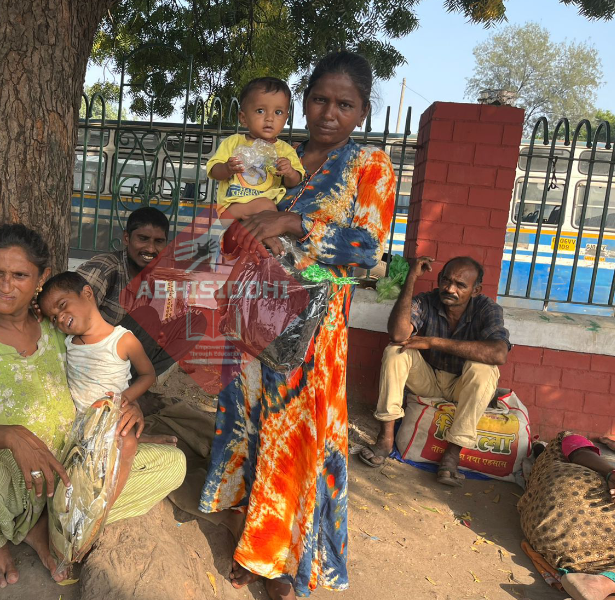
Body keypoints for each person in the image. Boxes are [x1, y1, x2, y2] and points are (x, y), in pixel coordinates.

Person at [198, 51, 397, 599]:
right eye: (320, 100)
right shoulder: (276, 154)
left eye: (344, 104)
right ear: (303, 102)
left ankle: (279, 559)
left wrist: (294, 222)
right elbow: (233, 210)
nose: (329, 113)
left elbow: (367, 249)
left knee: (292, 434)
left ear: (362, 111)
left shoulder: (369, 165)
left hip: (310, 328)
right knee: (246, 419)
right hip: (251, 312)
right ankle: (247, 531)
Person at [0, 223, 185, 589]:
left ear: (41, 278)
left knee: (171, 465)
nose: (6, 285)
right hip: (4, 474)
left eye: (20, 275)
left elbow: (101, 375)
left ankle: (55, 520)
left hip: (71, 468)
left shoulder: (57, 329)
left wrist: (128, 408)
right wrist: (11, 436)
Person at [358, 256, 511, 487]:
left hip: (462, 385)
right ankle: (385, 439)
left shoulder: (487, 309)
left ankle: (452, 454)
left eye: (460, 285)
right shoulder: (427, 301)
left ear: (476, 290)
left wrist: (433, 342)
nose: (450, 289)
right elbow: (398, 334)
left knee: (485, 369)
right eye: (446, 281)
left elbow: (499, 354)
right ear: (439, 279)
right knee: (395, 351)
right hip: (429, 380)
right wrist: (411, 278)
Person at [37, 270, 182, 504]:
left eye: (62, 305)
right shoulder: (68, 343)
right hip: (83, 421)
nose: (60, 318)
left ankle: (106, 503)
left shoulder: (122, 340)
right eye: (53, 318)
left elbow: (148, 375)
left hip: (113, 413)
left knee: (127, 442)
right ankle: (143, 439)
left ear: (87, 293)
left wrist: (124, 399)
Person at [76, 206, 206, 380]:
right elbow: (71, 319)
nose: (151, 249)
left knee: (194, 322)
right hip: (91, 362)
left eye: (158, 241)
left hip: (123, 357)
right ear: (127, 238)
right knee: (147, 317)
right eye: (143, 239)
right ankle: (116, 385)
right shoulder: (104, 268)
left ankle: (137, 385)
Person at [518, 432, 615, 600]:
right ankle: (606, 582)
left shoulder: (564, 446)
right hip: (575, 534)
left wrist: (611, 473)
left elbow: (574, 444)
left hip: (548, 528)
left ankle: (602, 583)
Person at [207, 77, 305, 222]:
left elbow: (295, 181)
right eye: (260, 111)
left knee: (269, 212)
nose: (270, 118)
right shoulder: (233, 142)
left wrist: (289, 172)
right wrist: (227, 168)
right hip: (232, 207)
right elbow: (214, 171)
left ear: (286, 118)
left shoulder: (285, 150)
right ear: (243, 118)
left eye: (278, 112)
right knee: (268, 208)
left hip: (262, 211)